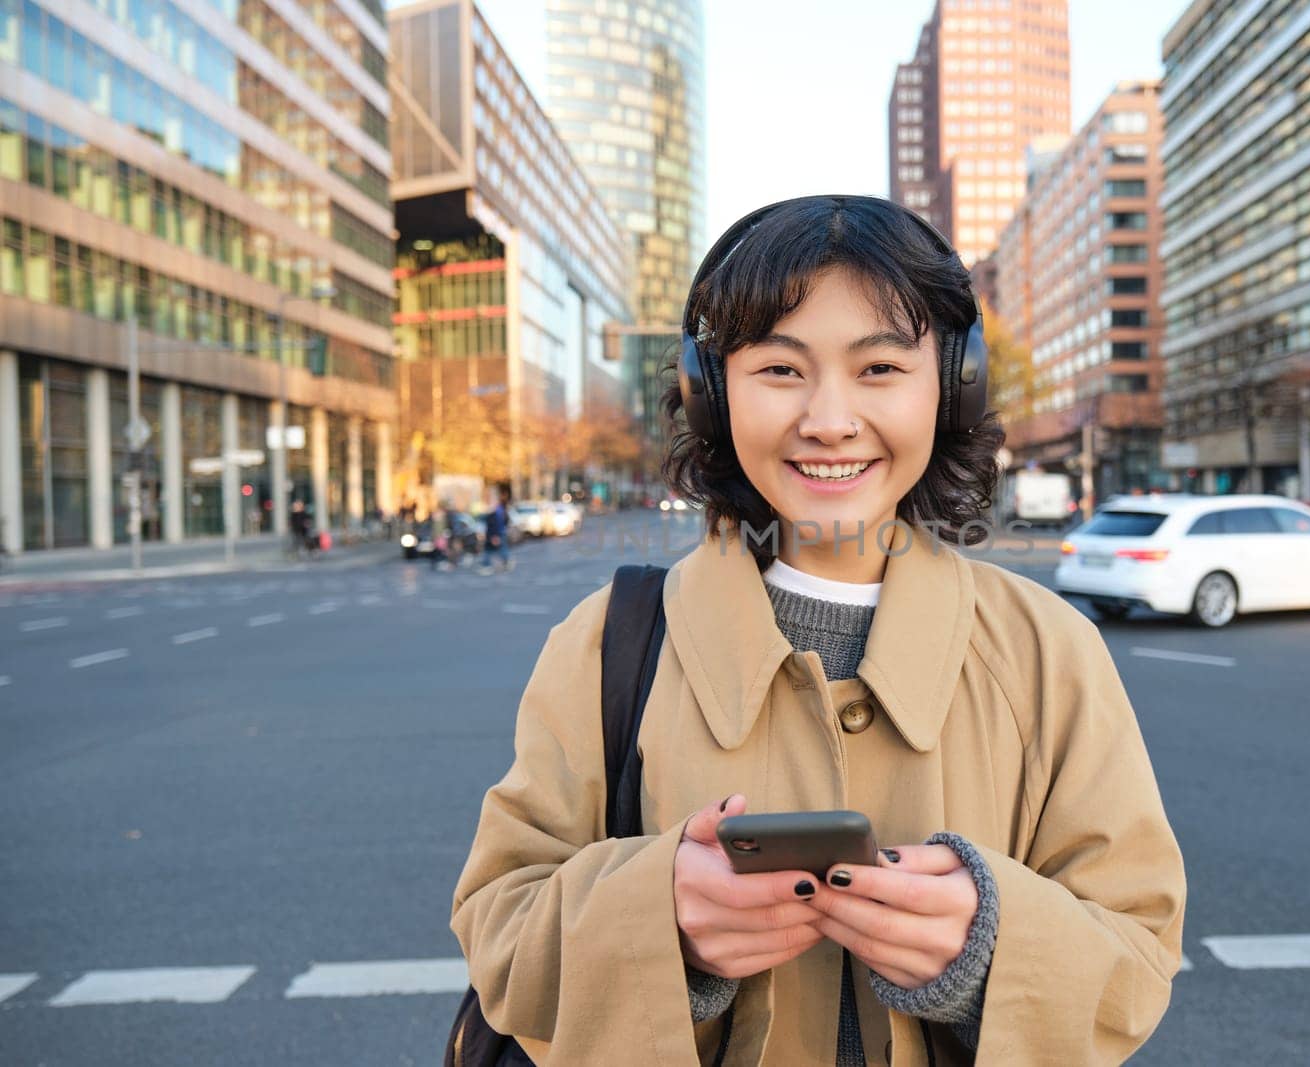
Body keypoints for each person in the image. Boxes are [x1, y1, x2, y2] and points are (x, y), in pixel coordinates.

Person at [450, 196, 1185, 1065]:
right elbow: (500, 927)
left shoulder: (1048, 649)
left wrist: (988, 946)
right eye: (780, 370)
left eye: (879, 369)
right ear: (712, 393)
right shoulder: (608, 640)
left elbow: (1137, 952)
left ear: (952, 386)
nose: (829, 419)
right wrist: (663, 925)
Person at [481, 486, 513, 574]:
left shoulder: (494, 510)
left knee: (491, 550)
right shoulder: (500, 509)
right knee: (499, 549)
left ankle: (487, 566)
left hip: (495, 533)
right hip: (498, 533)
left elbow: (495, 523)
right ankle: (505, 562)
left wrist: (495, 535)